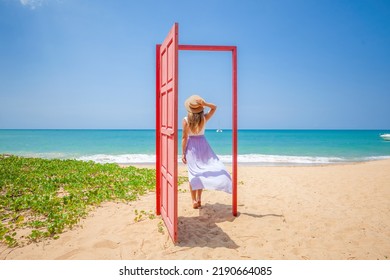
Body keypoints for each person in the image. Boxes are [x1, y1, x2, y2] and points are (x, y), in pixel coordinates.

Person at [181, 95, 232, 209]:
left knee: (193, 174)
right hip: (203, 145)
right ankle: (199, 199)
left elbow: (184, 138)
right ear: (200, 108)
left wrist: (183, 153)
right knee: (202, 172)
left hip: (192, 147)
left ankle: (194, 200)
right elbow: (214, 108)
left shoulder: (185, 120)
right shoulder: (204, 118)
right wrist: (206, 104)